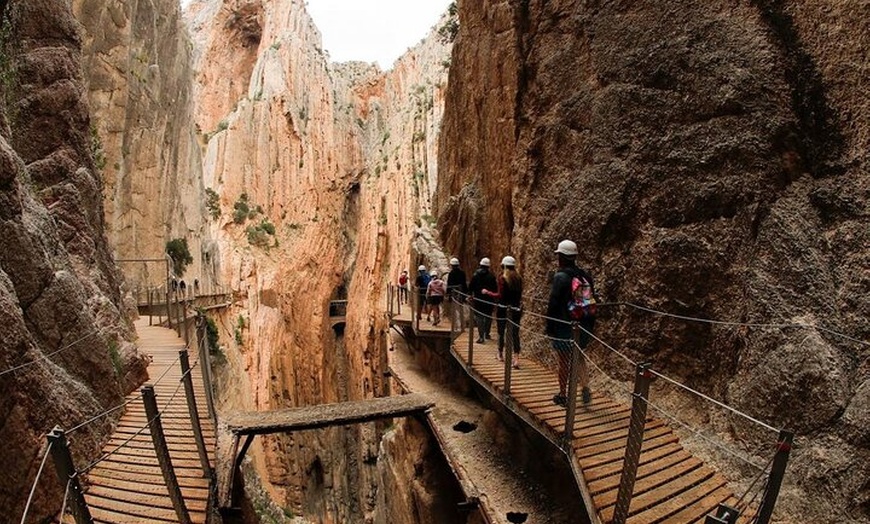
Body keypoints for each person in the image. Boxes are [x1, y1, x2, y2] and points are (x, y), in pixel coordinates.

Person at [546, 239, 596, 407]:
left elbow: (553, 303)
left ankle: (562, 394)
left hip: (564, 326)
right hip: (583, 324)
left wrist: (549, 326)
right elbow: (590, 301)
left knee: (564, 361)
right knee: (578, 355)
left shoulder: (560, 277)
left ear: (561, 257)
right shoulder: (585, 276)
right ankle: (585, 386)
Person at [483, 256, 522, 366]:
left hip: (503, 308)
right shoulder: (519, 278)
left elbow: (499, 295)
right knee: (515, 333)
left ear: (504, 266)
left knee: (501, 331)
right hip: (515, 309)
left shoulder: (502, 278)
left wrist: (487, 292)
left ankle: (500, 354)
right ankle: (516, 358)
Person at [469, 257, 497, 343]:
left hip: (478, 300)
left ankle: (481, 337)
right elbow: (495, 289)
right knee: (488, 316)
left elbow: (471, 287)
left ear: (480, 265)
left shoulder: (475, 275)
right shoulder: (491, 276)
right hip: (489, 300)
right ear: (488, 266)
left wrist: (470, 295)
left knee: (479, 317)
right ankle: (487, 334)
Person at [446, 258, 468, 328]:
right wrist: (466, 293)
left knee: (455, 310)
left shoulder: (451, 274)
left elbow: (449, 284)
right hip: (461, 293)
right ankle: (462, 324)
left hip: (454, 294)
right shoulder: (462, 273)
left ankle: (457, 326)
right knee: (460, 309)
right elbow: (464, 284)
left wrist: (448, 293)